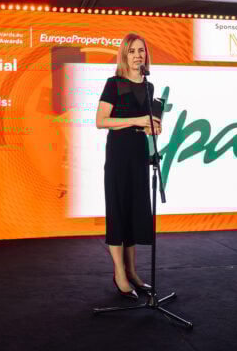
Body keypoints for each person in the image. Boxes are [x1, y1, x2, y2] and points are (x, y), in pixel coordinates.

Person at [96, 33, 161, 300]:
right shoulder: (114, 83)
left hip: (139, 154)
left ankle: (133, 272)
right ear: (124, 55)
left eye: (141, 51)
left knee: (135, 211)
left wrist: (153, 127)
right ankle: (119, 274)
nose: (137, 55)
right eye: (132, 51)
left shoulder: (149, 86)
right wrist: (138, 120)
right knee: (118, 210)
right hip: (118, 153)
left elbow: (147, 124)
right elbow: (101, 121)